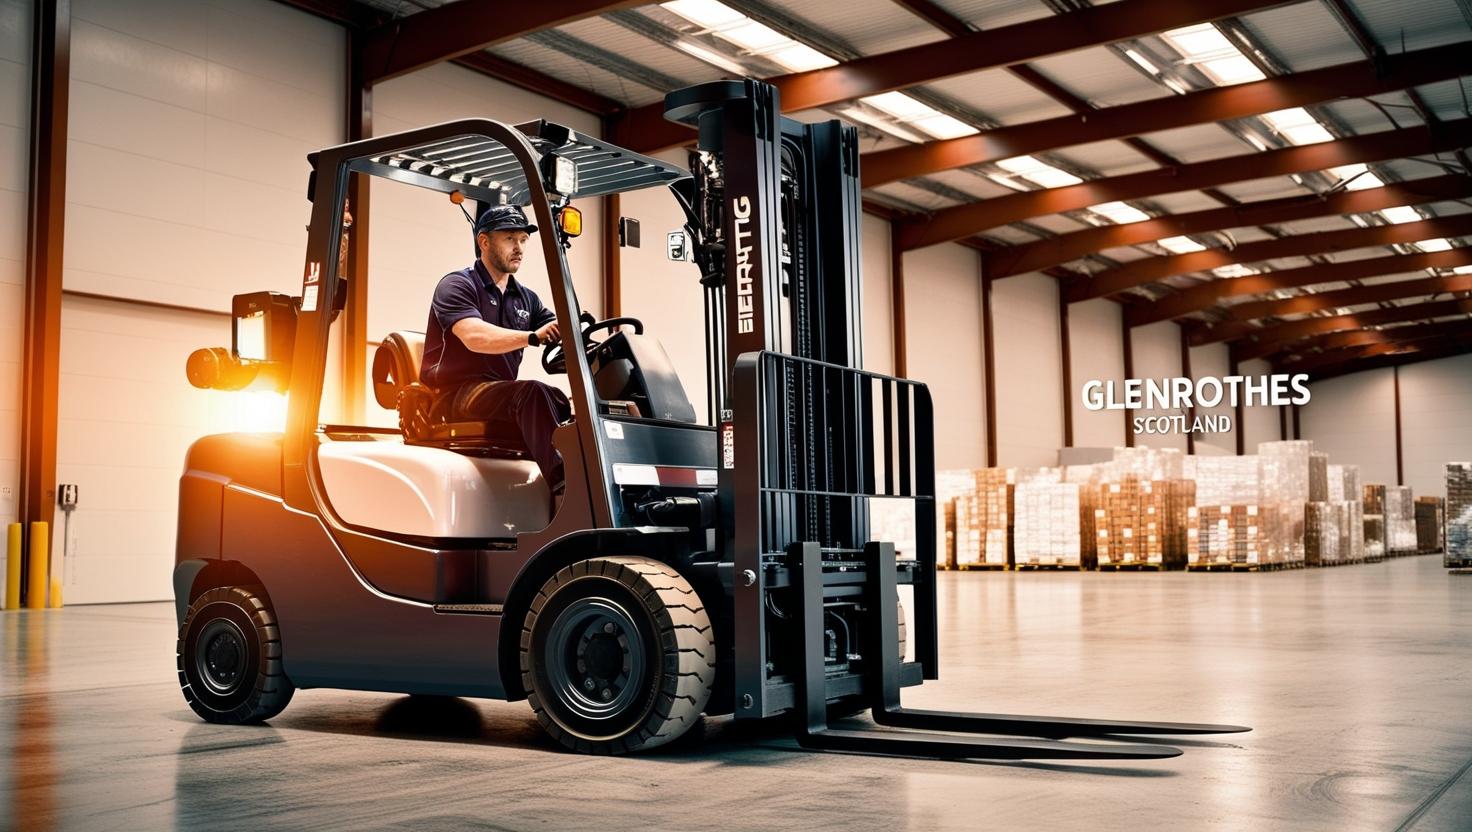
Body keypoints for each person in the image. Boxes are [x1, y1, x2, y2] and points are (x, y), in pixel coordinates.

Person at [421, 204, 571, 491]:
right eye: (510, 239)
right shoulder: (457, 284)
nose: (519, 248)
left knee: (562, 400)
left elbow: (556, 326)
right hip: (455, 395)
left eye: (523, 240)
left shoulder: (526, 297)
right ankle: (564, 484)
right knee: (533, 393)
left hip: (498, 393)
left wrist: (577, 329)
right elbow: (474, 336)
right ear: (484, 242)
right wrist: (531, 337)